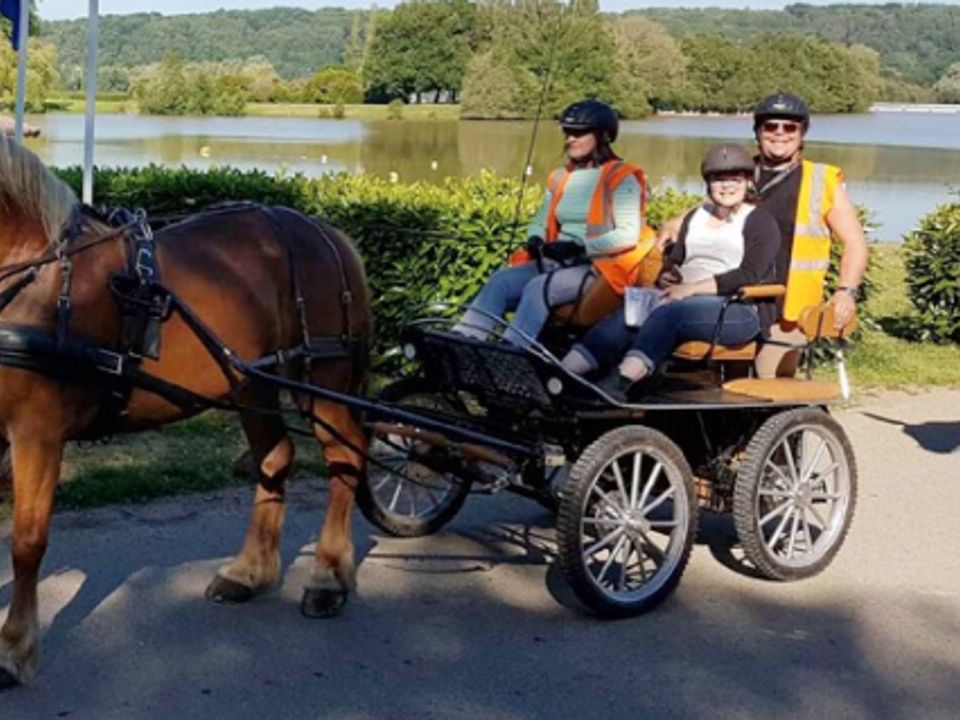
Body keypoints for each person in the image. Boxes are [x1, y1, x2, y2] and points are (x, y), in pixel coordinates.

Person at [659, 92, 869, 377]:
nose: (780, 133)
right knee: (710, 385)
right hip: (730, 300)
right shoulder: (740, 172)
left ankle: (799, 421)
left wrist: (845, 292)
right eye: (771, 126)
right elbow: (702, 214)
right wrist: (673, 227)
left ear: (802, 133)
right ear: (757, 132)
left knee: (770, 388)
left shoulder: (821, 180)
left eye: (790, 127)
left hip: (787, 308)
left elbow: (855, 242)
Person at [561, 143, 781, 396]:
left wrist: (690, 290)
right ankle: (566, 372)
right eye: (719, 178)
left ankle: (620, 382)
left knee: (670, 314)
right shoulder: (695, 216)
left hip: (736, 308)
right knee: (628, 315)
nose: (727, 185)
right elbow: (676, 258)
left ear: (748, 181)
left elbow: (749, 275)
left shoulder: (760, 221)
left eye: (735, 178)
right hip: (682, 297)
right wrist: (669, 274)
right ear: (708, 182)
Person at [453, 99, 654, 347]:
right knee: (501, 281)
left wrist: (580, 248)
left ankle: (512, 352)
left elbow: (627, 235)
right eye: (567, 132)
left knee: (539, 287)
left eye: (579, 133)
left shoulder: (622, 177)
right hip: (554, 261)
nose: (570, 139)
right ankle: (464, 342)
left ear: (603, 136)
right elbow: (541, 220)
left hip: (595, 269)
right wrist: (536, 238)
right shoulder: (561, 177)